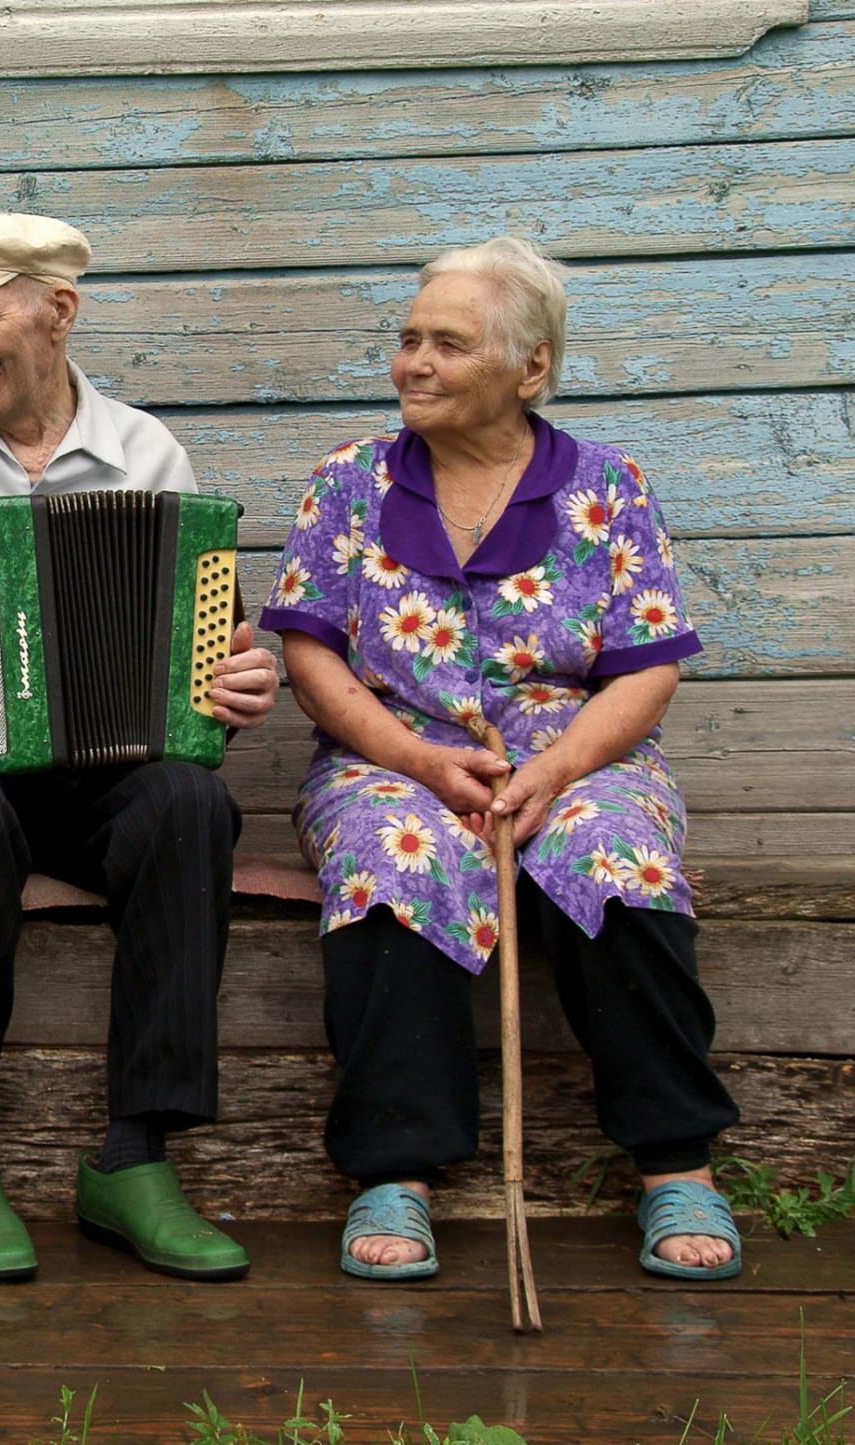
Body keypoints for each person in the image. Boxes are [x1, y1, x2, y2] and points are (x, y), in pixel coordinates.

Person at [259, 236, 741, 1283]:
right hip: (391, 754)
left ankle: (673, 1159)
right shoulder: (348, 481)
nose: (413, 363)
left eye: (447, 343)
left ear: (527, 368)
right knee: (398, 853)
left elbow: (644, 672)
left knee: (612, 853)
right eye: (406, 339)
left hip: (573, 756)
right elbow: (309, 654)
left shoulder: (604, 489)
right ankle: (395, 1167)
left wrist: (559, 767)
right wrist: (415, 761)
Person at [0, 213, 279, 1283]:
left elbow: (203, 646)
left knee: (187, 804)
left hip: (102, 773)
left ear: (58, 311)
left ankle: (135, 1157)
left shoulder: (148, 451)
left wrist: (229, 682)